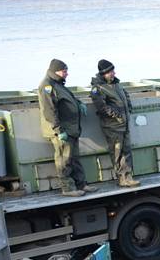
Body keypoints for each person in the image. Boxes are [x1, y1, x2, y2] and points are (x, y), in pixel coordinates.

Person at [38, 59, 97, 197]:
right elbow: (49, 111)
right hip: (62, 130)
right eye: (64, 71)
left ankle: (81, 184)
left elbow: (68, 98)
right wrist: (58, 130)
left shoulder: (58, 83)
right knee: (64, 160)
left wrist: (78, 103)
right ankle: (68, 188)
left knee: (74, 158)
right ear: (56, 71)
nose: (67, 74)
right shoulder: (47, 86)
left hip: (71, 128)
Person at [90, 59, 140, 188]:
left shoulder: (116, 84)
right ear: (103, 73)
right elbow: (101, 107)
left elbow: (125, 95)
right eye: (110, 72)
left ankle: (128, 176)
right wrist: (116, 115)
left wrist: (128, 107)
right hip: (113, 126)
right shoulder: (98, 88)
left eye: (113, 71)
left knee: (126, 150)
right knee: (117, 152)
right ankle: (122, 178)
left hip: (124, 124)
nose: (113, 73)